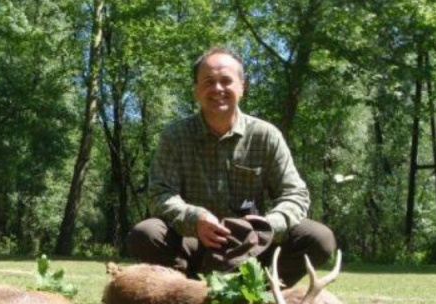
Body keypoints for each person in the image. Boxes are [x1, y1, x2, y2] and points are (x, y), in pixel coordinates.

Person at [127, 46, 336, 287]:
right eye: (208, 82)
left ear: (242, 87)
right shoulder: (175, 136)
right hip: (193, 243)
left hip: (252, 246)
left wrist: (267, 225)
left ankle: (260, 295)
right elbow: (159, 194)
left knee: (319, 238)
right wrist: (194, 219)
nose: (217, 89)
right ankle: (185, 294)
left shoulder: (265, 135)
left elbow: (295, 193)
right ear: (196, 90)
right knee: (146, 234)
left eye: (226, 80)